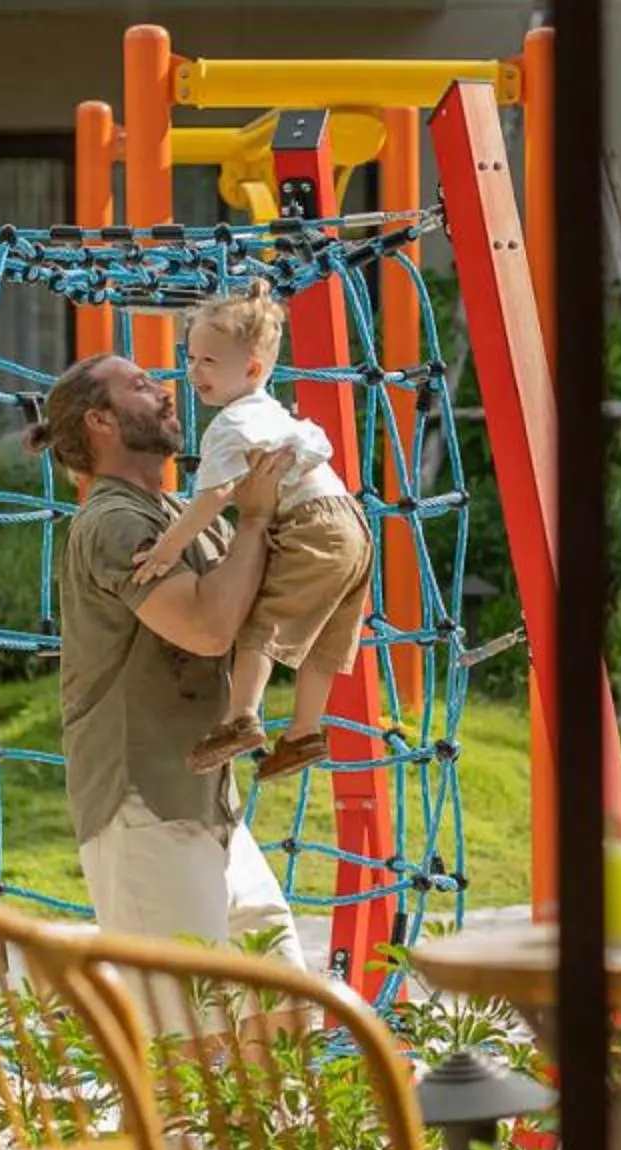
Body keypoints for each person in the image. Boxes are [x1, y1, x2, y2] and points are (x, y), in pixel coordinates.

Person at [36, 352, 307, 965]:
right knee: (184, 1039)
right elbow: (208, 629)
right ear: (100, 423)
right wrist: (257, 513)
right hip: (142, 811)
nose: (165, 390)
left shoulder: (181, 517)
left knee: (288, 1010)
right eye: (139, 385)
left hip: (208, 807)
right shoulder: (113, 522)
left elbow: (253, 614)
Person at [124, 281, 375, 781]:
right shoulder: (271, 413)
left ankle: (241, 718)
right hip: (353, 527)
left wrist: (167, 549)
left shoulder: (232, 424)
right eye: (191, 358)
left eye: (209, 362)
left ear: (254, 369)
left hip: (311, 527)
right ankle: (303, 735)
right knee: (326, 640)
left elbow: (213, 498)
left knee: (261, 625)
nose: (194, 372)